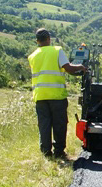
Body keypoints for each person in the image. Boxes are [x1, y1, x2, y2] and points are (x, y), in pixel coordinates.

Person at [27, 28, 85, 159]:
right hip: (56, 95)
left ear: (37, 41)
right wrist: (81, 67)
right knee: (59, 123)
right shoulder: (57, 51)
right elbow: (69, 68)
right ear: (49, 39)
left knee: (44, 124)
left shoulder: (32, 56)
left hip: (40, 96)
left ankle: (46, 152)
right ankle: (59, 151)